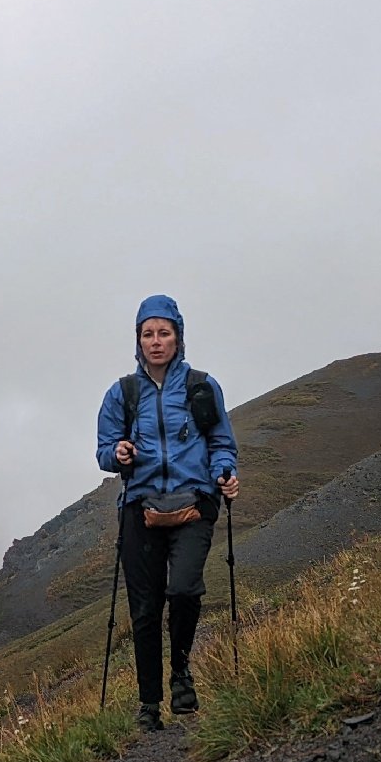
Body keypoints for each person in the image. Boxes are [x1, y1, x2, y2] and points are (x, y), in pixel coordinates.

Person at [96, 294, 239, 731]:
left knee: (183, 590)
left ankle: (180, 671)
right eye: (148, 334)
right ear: (138, 341)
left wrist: (225, 473)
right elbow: (104, 451)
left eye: (164, 332)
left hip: (194, 503)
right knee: (144, 608)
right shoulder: (123, 392)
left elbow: (221, 442)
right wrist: (117, 453)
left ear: (178, 336)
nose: (156, 342)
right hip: (141, 508)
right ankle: (148, 705)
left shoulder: (201, 385)